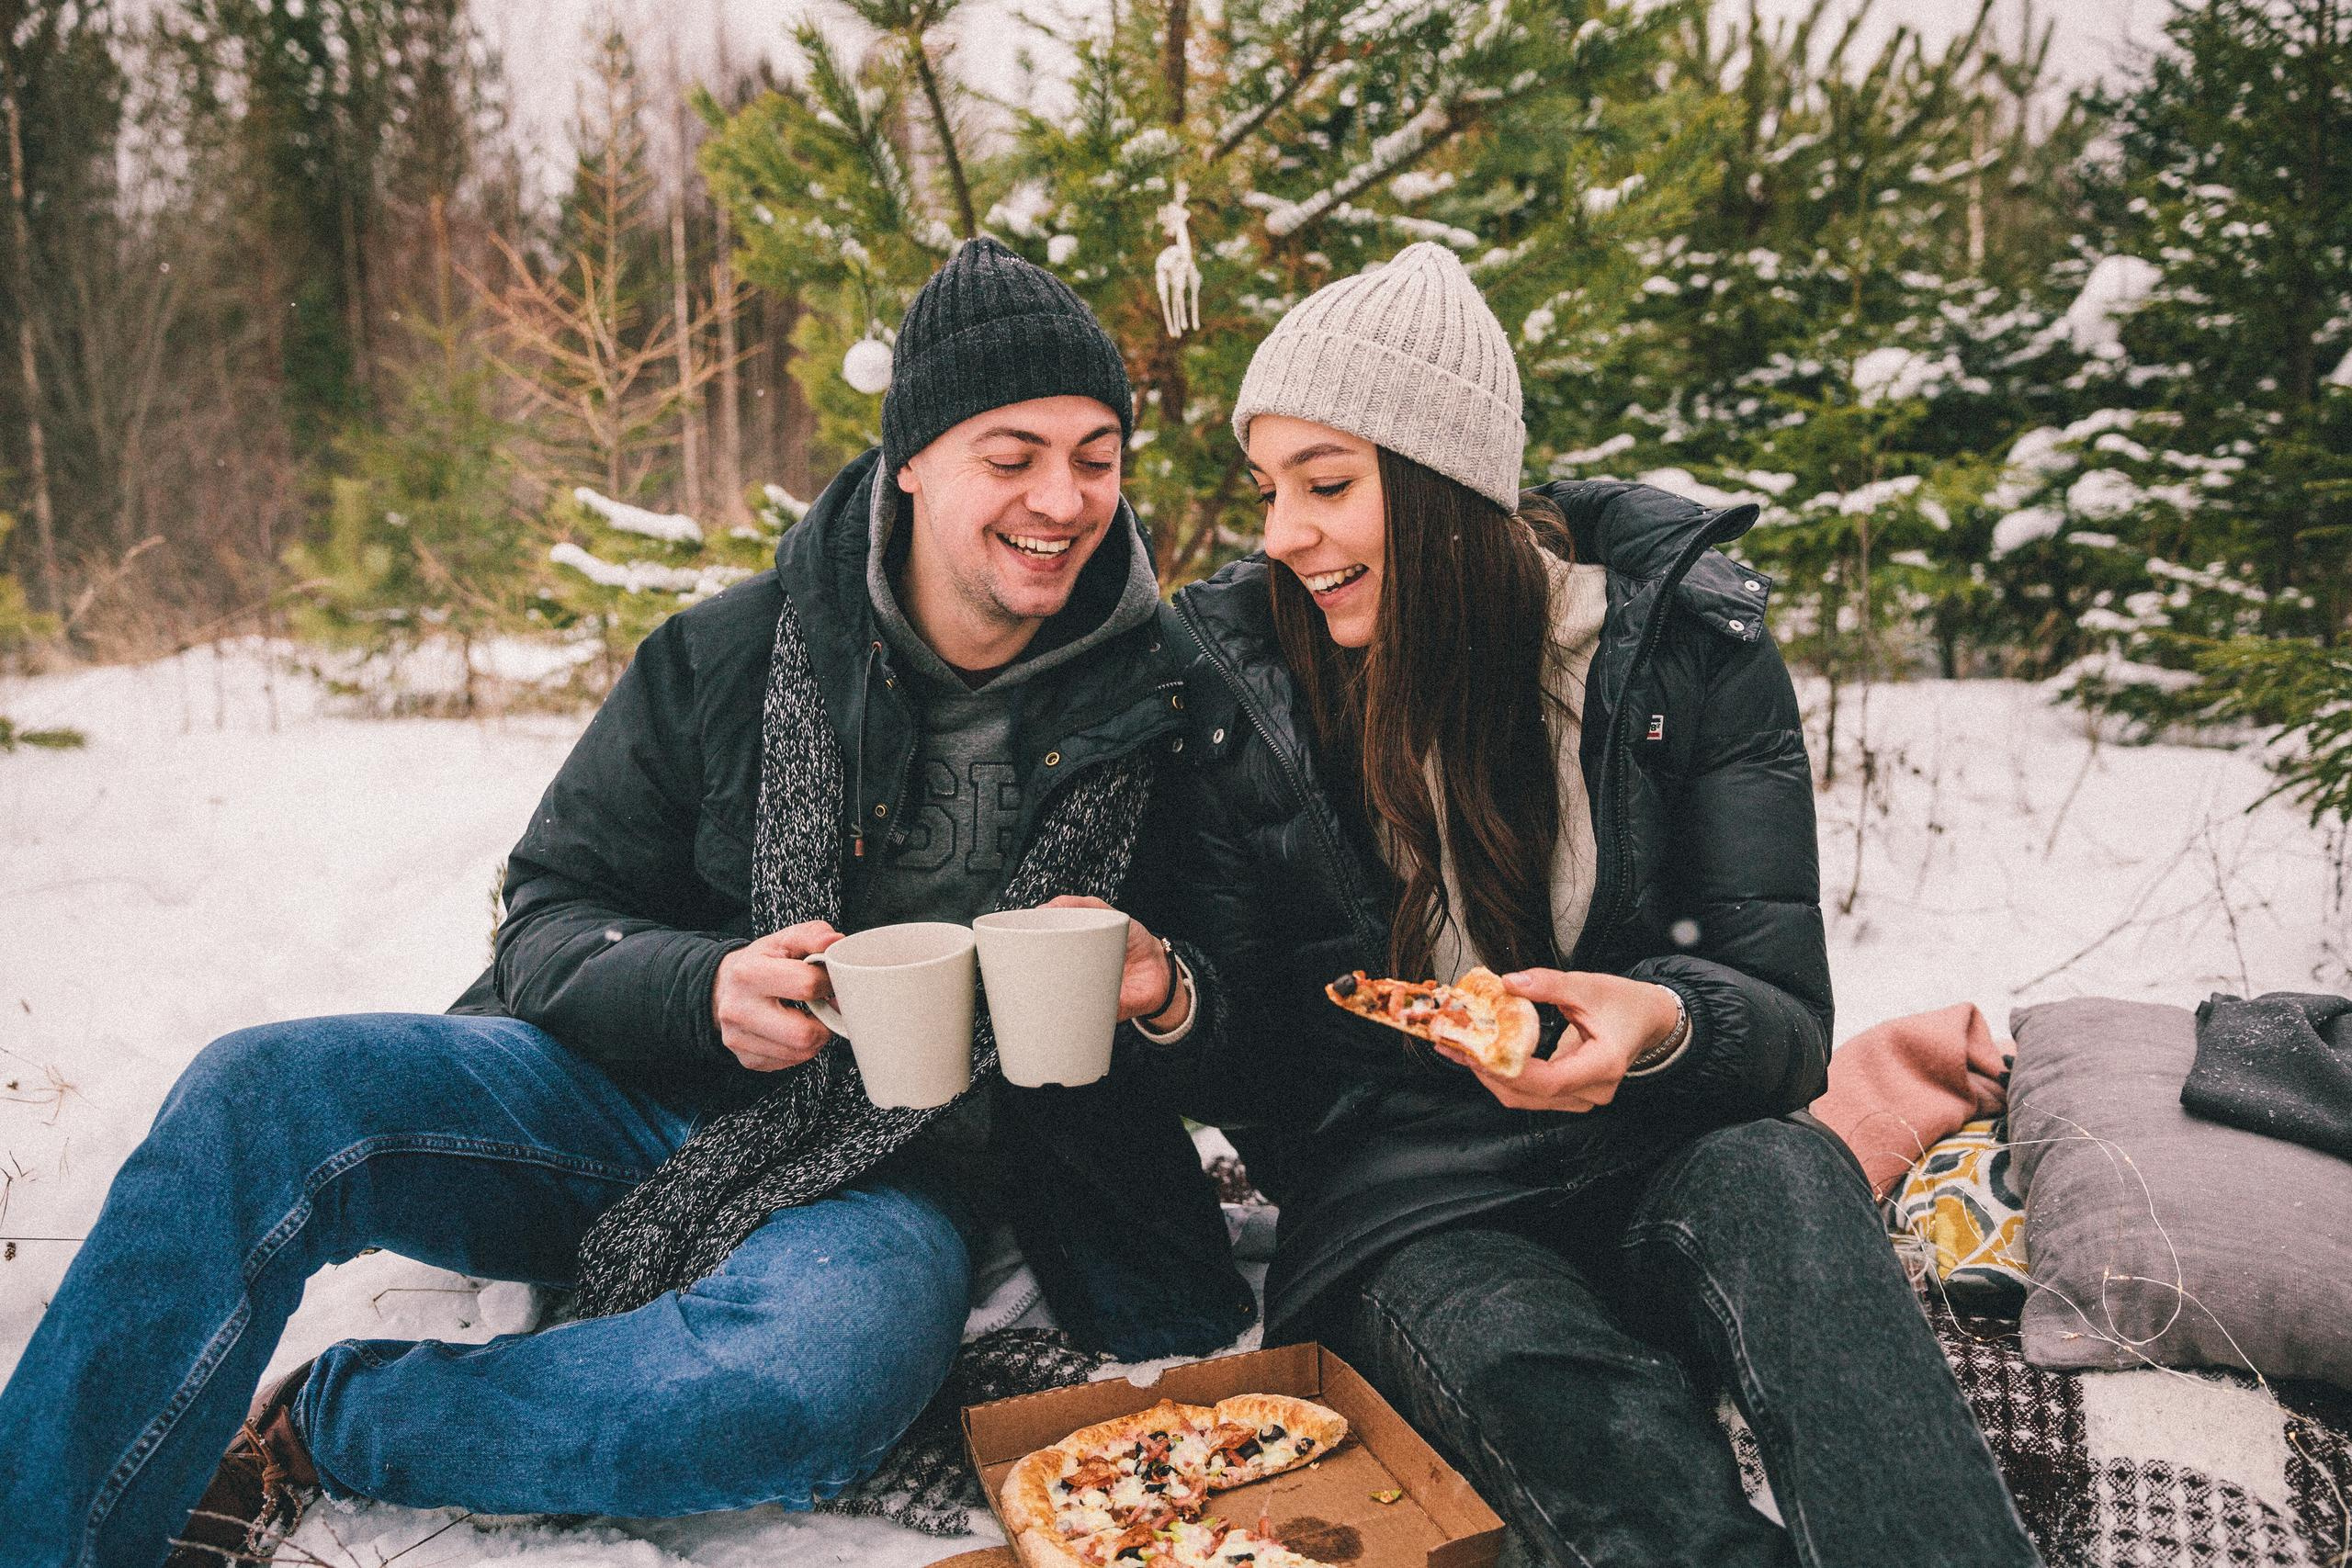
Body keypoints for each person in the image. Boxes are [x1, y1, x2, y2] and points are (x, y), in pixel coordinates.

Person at [0, 236, 1253, 1568]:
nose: (1063, 500)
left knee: (793, 1391)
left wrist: (1168, 989)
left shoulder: (1170, 705)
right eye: (1014, 456)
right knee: (259, 1093)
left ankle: (346, 1419)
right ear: (912, 461)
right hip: (628, 1097)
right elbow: (547, 914)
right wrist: (699, 987)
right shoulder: (726, 652)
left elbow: (1256, 1000)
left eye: (1097, 457)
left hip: (897, 1185)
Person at [1137, 242, 2041, 1568]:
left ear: (1448, 487)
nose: (1282, 535)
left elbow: (1787, 1021)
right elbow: (1265, 1073)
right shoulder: (1247, 684)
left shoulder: (1684, 643)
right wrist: (1173, 998)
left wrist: (1662, 1020)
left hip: (1665, 1149)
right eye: (1273, 489)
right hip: (1409, 1207)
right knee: (1574, 1412)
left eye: (1326, 485)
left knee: (1793, 1177)